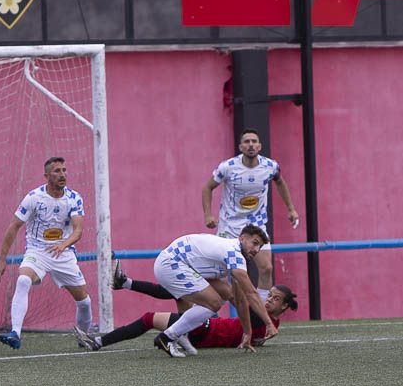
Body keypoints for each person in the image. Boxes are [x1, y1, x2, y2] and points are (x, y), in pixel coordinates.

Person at [0, 157, 90, 350]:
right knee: (23, 280)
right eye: (57, 171)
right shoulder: (33, 198)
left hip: (64, 255)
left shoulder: (73, 198)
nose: (62, 174)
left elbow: (78, 230)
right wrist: (1, 259)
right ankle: (16, 333)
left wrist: (64, 245)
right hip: (37, 251)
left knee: (84, 302)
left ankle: (85, 337)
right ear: (46, 176)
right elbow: (14, 226)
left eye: (64, 170)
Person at [148, 226, 278, 357]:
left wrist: (247, 332)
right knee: (214, 302)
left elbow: (239, 300)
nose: (256, 250)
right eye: (254, 243)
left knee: (226, 294)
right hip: (171, 264)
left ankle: (180, 332)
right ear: (242, 238)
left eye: (260, 246)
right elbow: (251, 293)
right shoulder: (234, 254)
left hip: (179, 263)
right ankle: (168, 336)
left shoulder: (234, 252)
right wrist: (269, 323)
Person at [201, 128, 300, 297]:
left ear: (260, 146)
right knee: (222, 274)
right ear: (241, 147)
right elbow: (207, 188)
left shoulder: (270, 166)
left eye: (254, 141)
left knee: (266, 268)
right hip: (230, 227)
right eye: (247, 142)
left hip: (257, 226)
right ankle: (212, 313)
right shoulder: (228, 167)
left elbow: (280, 182)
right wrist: (208, 215)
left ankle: (261, 311)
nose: (251, 145)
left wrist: (291, 208)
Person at [77, 284, 298, 353]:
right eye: (269, 295)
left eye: (275, 299)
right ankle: (127, 283)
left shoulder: (263, 320)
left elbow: (242, 299)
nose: (268, 300)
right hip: (205, 328)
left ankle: (98, 342)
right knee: (179, 291)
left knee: (149, 319)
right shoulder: (269, 322)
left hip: (204, 330)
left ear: (284, 306)